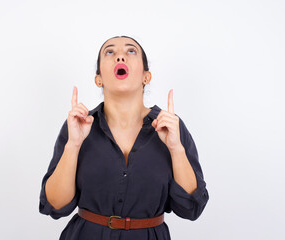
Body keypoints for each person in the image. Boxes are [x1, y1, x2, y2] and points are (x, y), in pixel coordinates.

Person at [39, 35, 209, 240]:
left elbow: (191, 208)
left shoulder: (171, 126)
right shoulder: (78, 126)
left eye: (131, 51)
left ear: (146, 76)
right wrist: (73, 145)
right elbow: (55, 206)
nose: (120, 57)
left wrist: (176, 149)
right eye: (109, 52)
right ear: (98, 78)